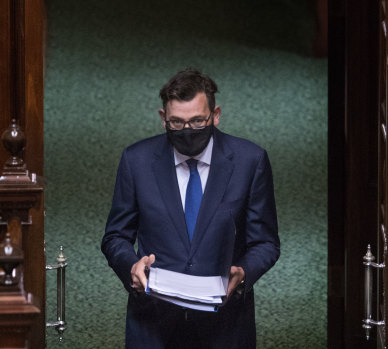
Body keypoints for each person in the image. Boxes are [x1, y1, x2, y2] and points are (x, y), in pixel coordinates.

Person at [101, 69, 280, 349]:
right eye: (177, 122)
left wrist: (243, 274)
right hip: (153, 320)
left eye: (198, 121)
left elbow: (266, 243)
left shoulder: (250, 161)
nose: (188, 131)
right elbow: (115, 237)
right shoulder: (136, 161)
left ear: (215, 115)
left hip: (225, 323)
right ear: (164, 119)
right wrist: (131, 267)